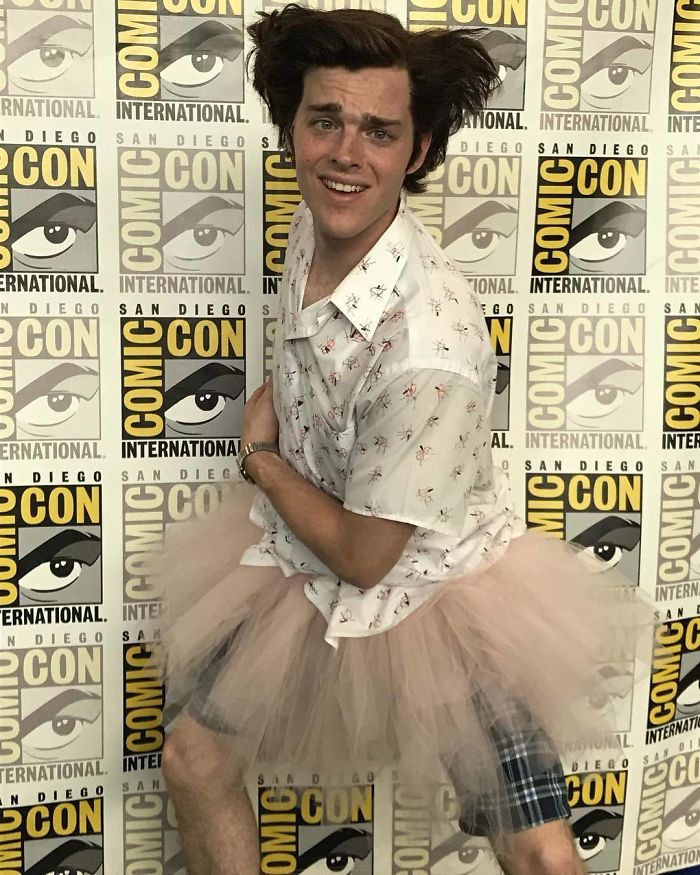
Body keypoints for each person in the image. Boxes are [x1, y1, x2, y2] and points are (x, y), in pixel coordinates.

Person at [159, 7, 650, 875]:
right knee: (195, 761)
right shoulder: (323, 216)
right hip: (306, 559)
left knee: (538, 849)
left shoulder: (431, 346)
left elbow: (365, 557)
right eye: (325, 121)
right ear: (292, 130)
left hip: (435, 587)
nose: (346, 154)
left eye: (379, 132)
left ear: (417, 151)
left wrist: (261, 458)